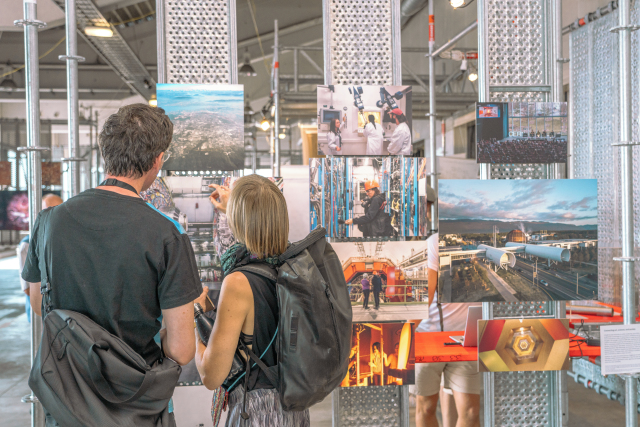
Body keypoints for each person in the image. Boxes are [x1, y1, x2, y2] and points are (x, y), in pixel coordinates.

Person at [22, 103, 206, 426]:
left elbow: (39, 303)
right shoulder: (167, 237)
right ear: (157, 161)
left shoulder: (49, 222)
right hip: (134, 407)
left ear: (105, 154)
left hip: (68, 403)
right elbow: (181, 350)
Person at [194, 174, 310, 426]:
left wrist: (197, 315)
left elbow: (211, 375)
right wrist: (232, 207)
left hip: (258, 414)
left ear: (238, 220)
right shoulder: (293, 268)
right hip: (294, 410)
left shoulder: (238, 283)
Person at [411, 233, 481, 427]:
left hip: (465, 339)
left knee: (472, 412)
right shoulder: (434, 242)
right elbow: (427, 290)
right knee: (426, 408)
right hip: (428, 338)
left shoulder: (473, 242)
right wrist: (405, 333)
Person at [17, 194, 64, 323]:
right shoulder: (27, 244)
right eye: (48, 211)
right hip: (40, 312)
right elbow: (27, 287)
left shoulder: (65, 240)